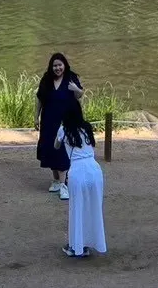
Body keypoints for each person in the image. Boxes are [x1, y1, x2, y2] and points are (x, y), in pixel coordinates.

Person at [55, 98, 107, 259]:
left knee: (76, 209)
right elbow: (92, 146)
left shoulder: (63, 129)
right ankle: (94, 243)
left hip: (77, 170)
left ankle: (76, 247)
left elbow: (56, 146)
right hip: (94, 169)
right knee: (93, 208)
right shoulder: (87, 127)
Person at [35, 52, 83, 199]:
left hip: (66, 120)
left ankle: (63, 185)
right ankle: (56, 179)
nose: (57, 68)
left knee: (62, 149)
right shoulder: (46, 80)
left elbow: (79, 95)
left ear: (64, 65)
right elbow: (39, 100)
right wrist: (36, 117)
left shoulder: (71, 77)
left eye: (60, 65)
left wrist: (76, 89)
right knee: (49, 148)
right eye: (55, 65)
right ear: (51, 66)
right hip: (49, 120)